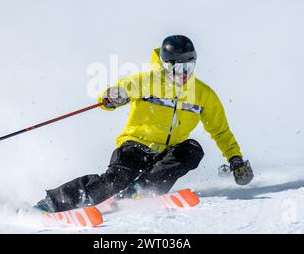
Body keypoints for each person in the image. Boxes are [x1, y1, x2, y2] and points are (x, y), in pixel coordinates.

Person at [35, 35, 254, 213]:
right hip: (136, 146)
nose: (184, 75)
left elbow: (220, 131)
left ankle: (140, 190)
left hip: (166, 155)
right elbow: (115, 94)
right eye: (178, 69)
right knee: (116, 179)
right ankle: (53, 203)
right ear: (166, 66)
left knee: (193, 149)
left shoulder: (204, 95)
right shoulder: (147, 81)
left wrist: (235, 160)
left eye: (189, 67)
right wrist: (113, 97)